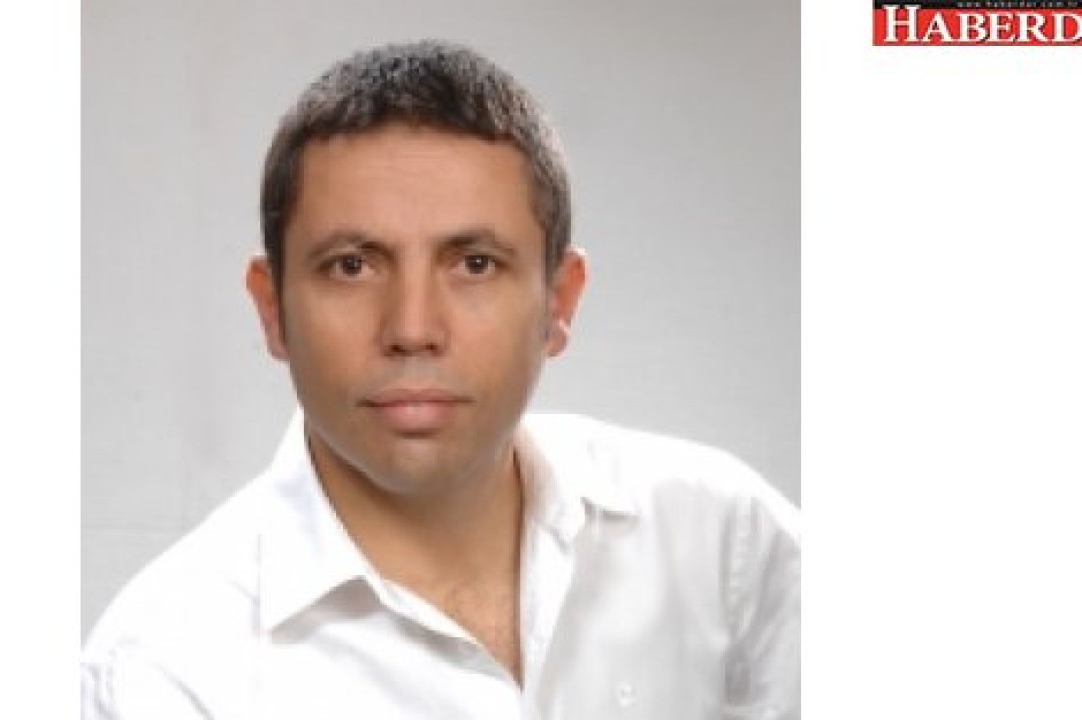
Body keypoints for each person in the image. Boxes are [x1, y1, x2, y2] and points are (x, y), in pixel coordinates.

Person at [82, 39, 799, 719]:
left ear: (560, 301)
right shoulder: (162, 669)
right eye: (352, 266)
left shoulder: (724, 542)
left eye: (475, 264)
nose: (413, 327)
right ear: (273, 309)